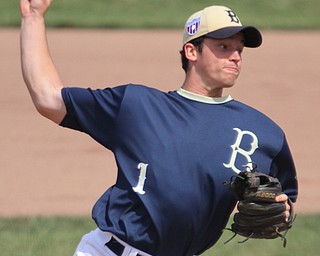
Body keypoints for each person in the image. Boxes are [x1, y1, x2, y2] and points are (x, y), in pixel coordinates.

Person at [20, 1, 298, 256]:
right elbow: (48, 98)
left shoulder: (263, 132)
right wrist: (34, 17)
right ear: (192, 51)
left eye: (239, 49)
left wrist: (281, 213)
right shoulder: (138, 106)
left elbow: (282, 202)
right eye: (224, 47)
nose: (236, 56)